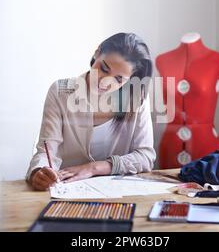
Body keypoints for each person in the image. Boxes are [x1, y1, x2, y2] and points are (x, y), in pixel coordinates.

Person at [27, 33, 156, 191]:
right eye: (103, 68)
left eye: (118, 79)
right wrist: (39, 172)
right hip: (68, 190)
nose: (104, 82)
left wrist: (94, 168)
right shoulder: (60, 92)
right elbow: (46, 150)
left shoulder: (137, 99)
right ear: (97, 52)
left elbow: (145, 157)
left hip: (118, 193)